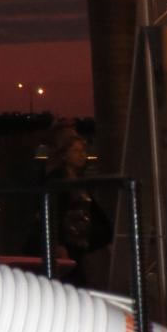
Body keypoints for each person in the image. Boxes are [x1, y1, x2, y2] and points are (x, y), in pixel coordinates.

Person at [37, 122, 113, 287]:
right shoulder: (58, 180)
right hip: (67, 245)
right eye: (76, 151)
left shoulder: (78, 181)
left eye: (83, 151)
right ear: (64, 155)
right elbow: (53, 212)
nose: (82, 156)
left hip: (80, 245)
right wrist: (58, 243)